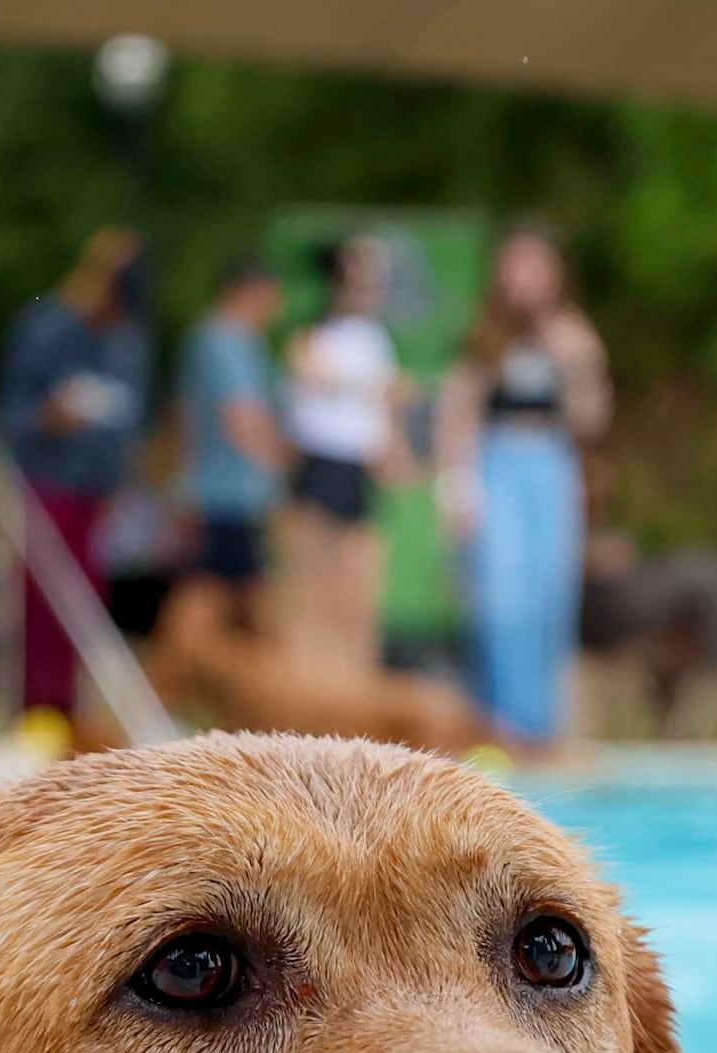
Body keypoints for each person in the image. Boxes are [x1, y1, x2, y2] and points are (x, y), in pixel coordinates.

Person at [437, 221, 608, 749]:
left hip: (550, 464)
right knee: (500, 597)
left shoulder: (573, 335)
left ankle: (541, 728)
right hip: (497, 462)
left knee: (547, 597)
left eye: (537, 267)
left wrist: (577, 362)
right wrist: (455, 485)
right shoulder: (485, 335)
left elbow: (593, 420)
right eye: (517, 265)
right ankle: (496, 723)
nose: (526, 278)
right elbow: (456, 412)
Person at [0, 225, 152, 736]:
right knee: (41, 603)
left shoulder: (129, 340)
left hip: (96, 490)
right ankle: (35, 711)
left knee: (87, 607)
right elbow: (11, 411)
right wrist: (49, 418)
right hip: (47, 480)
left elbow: (131, 419)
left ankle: (71, 712)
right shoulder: (49, 328)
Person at [278, 233, 408, 678]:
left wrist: (392, 451)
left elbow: (386, 405)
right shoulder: (314, 334)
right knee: (311, 574)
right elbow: (312, 382)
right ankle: (305, 673)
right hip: (320, 459)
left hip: (358, 464)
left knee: (356, 579)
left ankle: (349, 675)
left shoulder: (376, 340)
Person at [177, 253, 287, 608]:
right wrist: (280, 469)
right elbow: (241, 420)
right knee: (221, 597)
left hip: (225, 490)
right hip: (225, 493)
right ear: (251, 292)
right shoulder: (225, 341)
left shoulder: (231, 340)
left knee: (221, 593)